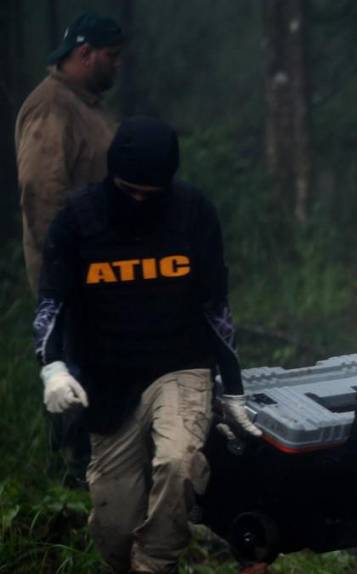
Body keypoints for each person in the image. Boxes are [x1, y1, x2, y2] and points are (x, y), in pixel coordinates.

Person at [33, 117, 262, 574]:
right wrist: (53, 365)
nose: (138, 201)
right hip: (108, 378)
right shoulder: (78, 220)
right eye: (128, 190)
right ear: (113, 178)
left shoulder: (194, 213)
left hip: (180, 365)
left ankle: (156, 562)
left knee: (178, 462)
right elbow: (51, 302)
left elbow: (215, 306)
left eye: (149, 194)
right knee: (114, 524)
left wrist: (232, 387)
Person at [15, 11, 124, 485]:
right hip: (73, 280)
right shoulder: (51, 108)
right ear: (85, 54)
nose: (117, 66)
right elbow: (43, 198)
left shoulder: (87, 105)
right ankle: (72, 488)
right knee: (70, 382)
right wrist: (69, 275)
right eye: (111, 57)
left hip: (103, 279)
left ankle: (104, 477)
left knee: (102, 380)